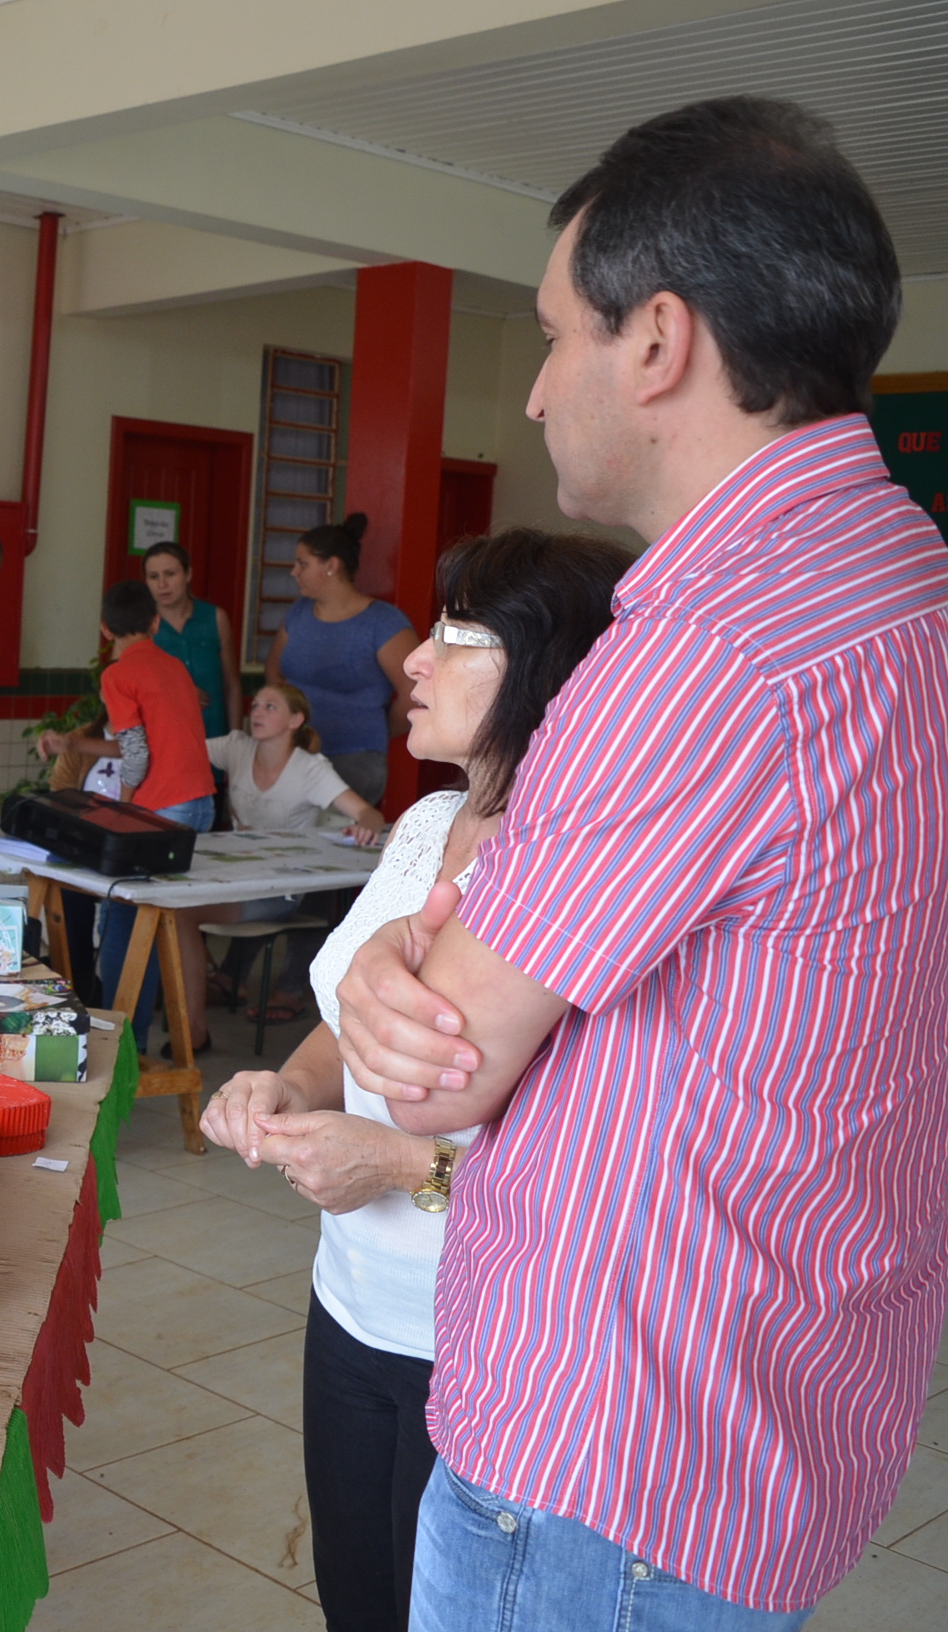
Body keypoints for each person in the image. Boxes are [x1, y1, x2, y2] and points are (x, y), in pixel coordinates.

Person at [336, 99, 948, 1629]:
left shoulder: (709, 643)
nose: (538, 393)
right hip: (781, 1403)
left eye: (554, 338)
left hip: (608, 1452)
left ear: (660, 341)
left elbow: (440, 1071)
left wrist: (388, 972)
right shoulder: (904, 574)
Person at [200, 528, 628, 1632]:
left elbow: (594, 1152)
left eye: (455, 637)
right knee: (355, 1595)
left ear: (551, 673)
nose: (414, 662)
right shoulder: (430, 822)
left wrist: (394, 1159)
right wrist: (285, 1085)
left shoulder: (577, 869)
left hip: (486, 1342)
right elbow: (345, 1007)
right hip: (352, 1303)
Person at [35, 579, 212, 1035]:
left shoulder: (117, 675)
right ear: (154, 623)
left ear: (104, 629)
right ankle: (136, 1039)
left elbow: (136, 755)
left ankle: (118, 1039)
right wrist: (72, 742)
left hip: (162, 807)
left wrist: (125, 810)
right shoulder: (173, 666)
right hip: (199, 803)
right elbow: (140, 743)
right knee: (148, 923)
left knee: (122, 917)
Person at [175, 681, 389, 1021]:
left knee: (180, 914)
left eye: (270, 707)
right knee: (168, 904)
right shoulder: (236, 747)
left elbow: (369, 813)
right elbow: (178, 747)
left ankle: (192, 1028)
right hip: (232, 878)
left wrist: (365, 825)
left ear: (295, 720)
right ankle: (212, 989)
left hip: (278, 891)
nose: (256, 712)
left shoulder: (310, 768)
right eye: (255, 705)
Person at [266, 513, 414, 804]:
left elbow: (415, 694)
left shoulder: (383, 622)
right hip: (292, 755)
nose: (294, 571)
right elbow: (274, 672)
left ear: (331, 565)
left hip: (354, 759)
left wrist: (376, 730)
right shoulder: (298, 613)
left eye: (303, 563)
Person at [142, 542, 241, 738]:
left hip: (213, 736)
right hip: (163, 739)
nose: (162, 584)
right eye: (154, 577)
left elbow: (231, 684)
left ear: (188, 574)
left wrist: (236, 741)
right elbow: (123, 685)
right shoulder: (140, 625)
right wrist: (176, 692)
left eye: (170, 574)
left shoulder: (215, 618)